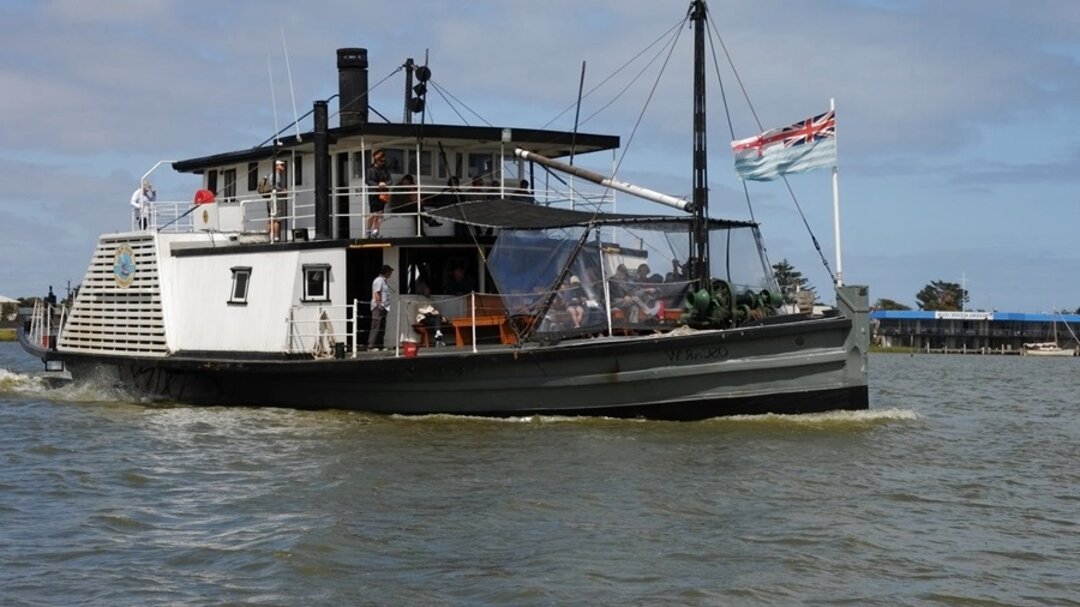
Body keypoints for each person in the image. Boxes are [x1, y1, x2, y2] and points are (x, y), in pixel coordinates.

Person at [366, 149, 392, 237]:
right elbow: (368, 181)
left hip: (383, 194)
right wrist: (378, 185)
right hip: (373, 194)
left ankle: (375, 232)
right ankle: (369, 231)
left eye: (384, 161)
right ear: (376, 160)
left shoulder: (385, 169)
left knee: (380, 214)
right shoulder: (370, 169)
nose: (383, 162)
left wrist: (385, 184)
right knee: (373, 214)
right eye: (381, 161)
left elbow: (390, 180)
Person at [367, 264, 394, 350]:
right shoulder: (378, 280)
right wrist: (379, 304)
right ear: (386, 272)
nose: (390, 273)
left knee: (382, 326)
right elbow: (376, 292)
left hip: (384, 307)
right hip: (379, 307)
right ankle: (371, 345)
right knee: (376, 325)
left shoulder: (384, 281)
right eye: (390, 272)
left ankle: (379, 345)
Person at [412, 281, 446, 346]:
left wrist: (435, 313)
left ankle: (438, 337)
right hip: (423, 318)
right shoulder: (419, 299)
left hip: (431, 317)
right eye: (427, 290)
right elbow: (419, 309)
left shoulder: (430, 299)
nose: (429, 291)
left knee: (438, 317)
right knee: (437, 321)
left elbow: (433, 309)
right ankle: (438, 338)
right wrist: (428, 312)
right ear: (423, 290)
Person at [268, 160, 287, 241]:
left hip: (271, 199)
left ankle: (268, 237)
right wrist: (283, 191)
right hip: (275, 199)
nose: (283, 166)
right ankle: (276, 238)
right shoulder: (276, 175)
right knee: (277, 219)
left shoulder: (272, 175)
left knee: (270, 218)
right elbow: (275, 187)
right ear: (276, 166)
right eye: (281, 165)